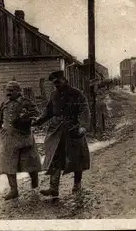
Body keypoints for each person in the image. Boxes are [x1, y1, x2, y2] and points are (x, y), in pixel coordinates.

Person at [33, 70, 91, 198]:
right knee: (55, 158)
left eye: (58, 82)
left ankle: (77, 184)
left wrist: (83, 126)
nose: (57, 85)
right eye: (54, 84)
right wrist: (38, 121)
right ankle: (53, 188)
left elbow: (84, 109)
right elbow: (48, 111)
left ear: (65, 79)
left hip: (73, 130)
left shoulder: (77, 94)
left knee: (76, 158)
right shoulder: (54, 95)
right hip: (57, 131)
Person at [0, 81, 42, 200]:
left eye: (11, 90)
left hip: (24, 137)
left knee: (29, 163)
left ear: (18, 91)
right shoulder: (4, 104)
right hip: (8, 138)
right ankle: (13, 190)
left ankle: (34, 182)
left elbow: (37, 115)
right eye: (7, 90)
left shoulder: (26, 102)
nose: (8, 93)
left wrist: (27, 119)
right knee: (8, 164)